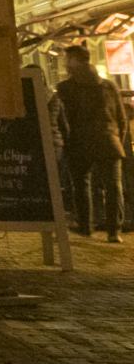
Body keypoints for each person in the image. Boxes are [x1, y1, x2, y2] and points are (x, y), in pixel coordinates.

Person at [51, 43, 129, 241]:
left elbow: (63, 118)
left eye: (66, 59)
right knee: (113, 187)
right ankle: (114, 231)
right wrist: (117, 139)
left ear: (74, 61)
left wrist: (67, 141)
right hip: (108, 141)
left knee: (81, 186)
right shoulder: (108, 85)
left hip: (78, 143)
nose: (64, 64)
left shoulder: (64, 88)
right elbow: (121, 118)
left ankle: (86, 227)